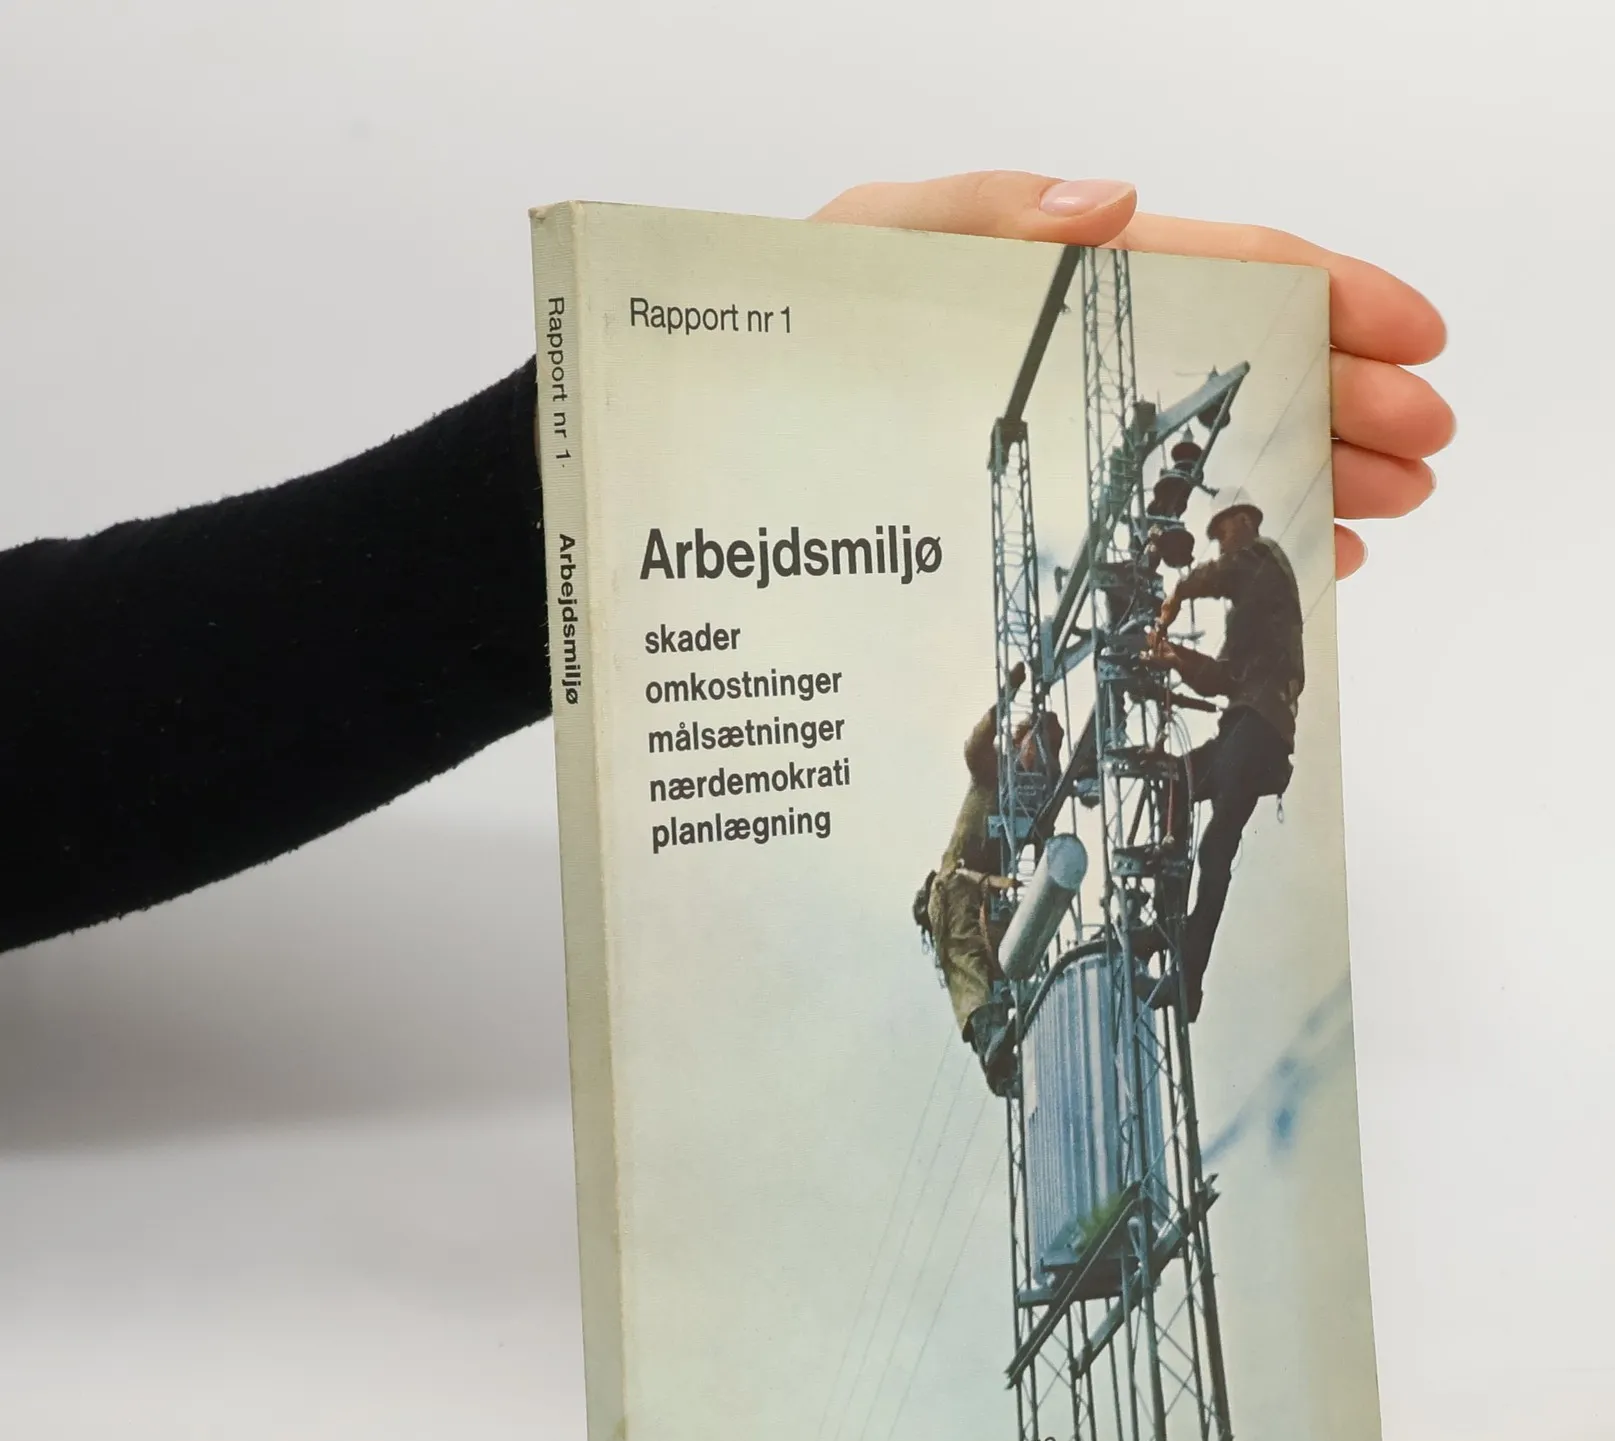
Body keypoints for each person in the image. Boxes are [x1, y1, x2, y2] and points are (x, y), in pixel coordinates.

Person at [0, 172, 1452, 958]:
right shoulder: (1001, 800)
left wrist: (613, 471)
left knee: (1176, 821)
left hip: (1163, 762)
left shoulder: (1095, 712)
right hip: (1082, 819)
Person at [1148, 499, 1302, 1021]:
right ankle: (1167, 914)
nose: (1218, 544)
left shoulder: (1263, 561)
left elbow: (1225, 572)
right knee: (1177, 778)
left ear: (1244, 522)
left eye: (1221, 533)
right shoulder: (1251, 610)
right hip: (1243, 727)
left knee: (1216, 847)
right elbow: (1223, 677)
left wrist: (1178, 592)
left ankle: (1189, 977)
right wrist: (1177, 658)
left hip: (1261, 728)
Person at [917, 661, 1063, 1092]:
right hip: (958, 886)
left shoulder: (1037, 791)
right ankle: (993, 1048)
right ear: (1020, 740)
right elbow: (974, 745)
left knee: (1002, 966)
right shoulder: (994, 769)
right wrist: (1008, 692)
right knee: (968, 961)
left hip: (989, 896)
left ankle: (1005, 1064)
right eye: (1039, 747)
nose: (1042, 761)